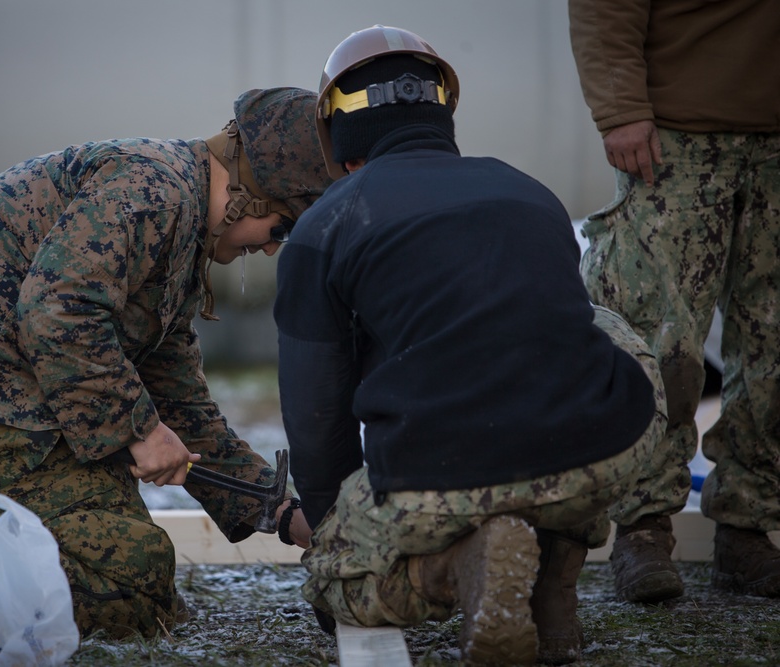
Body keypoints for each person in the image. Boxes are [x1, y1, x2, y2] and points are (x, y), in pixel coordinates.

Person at [0, 87, 327, 639]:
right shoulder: (153, 191)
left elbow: (181, 405)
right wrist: (139, 429)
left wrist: (283, 514)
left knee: (136, 577)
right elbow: (58, 311)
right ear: (249, 196)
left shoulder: (178, 227)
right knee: (126, 581)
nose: (270, 248)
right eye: (282, 227)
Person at [273, 25, 668, 665]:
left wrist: (333, 533)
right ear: (443, 114)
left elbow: (317, 418)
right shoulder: (530, 192)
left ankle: (463, 567)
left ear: (341, 145)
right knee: (597, 325)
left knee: (334, 583)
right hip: (606, 447)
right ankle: (553, 580)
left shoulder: (328, 224)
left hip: (445, 476)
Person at [568, 1, 780, 604]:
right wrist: (621, 110)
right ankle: (642, 528)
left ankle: (747, 526)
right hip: (676, 138)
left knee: (774, 346)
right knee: (661, 344)